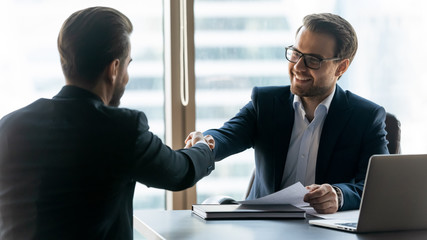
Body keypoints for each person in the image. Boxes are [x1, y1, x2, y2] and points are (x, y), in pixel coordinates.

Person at [0, 7, 215, 240]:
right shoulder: (122, 130)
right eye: (127, 65)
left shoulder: (9, 127)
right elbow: (180, 171)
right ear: (114, 69)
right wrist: (203, 146)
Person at [185, 13, 388, 214]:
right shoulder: (265, 103)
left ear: (341, 67)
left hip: (325, 231)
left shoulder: (366, 117)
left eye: (313, 60)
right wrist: (207, 141)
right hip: (264, 227)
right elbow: (227, 135)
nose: (298, 67)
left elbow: (378, 188)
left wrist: (339, 195)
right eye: (296, 54)